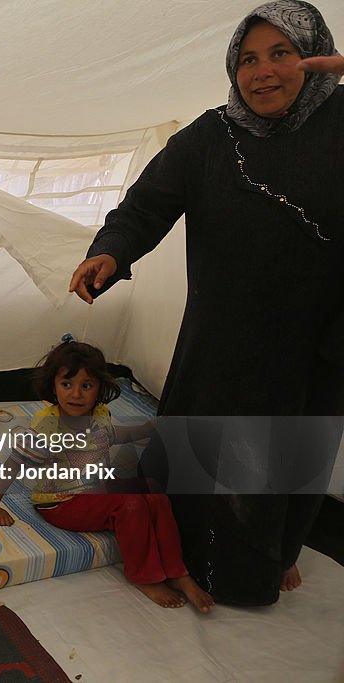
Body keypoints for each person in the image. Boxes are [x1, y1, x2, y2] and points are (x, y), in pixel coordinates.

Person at [68, 1, 344, 605]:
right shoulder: (212, 135)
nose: (262, 72)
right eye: (248, 58)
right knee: (203, 448)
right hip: (222, 334)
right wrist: (111, 253)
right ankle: (178, 553)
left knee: (289, 459)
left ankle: (267, 560)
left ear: (318, 59)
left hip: (314, 340)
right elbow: (145, 205)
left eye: (282, 54)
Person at [0, 340, 213, 612]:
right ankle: (145, 577)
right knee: (131, 504)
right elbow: (13, 464)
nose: (76, 394)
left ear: (100, 388)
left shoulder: (100, 414)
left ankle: (177, 572)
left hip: (95, 489)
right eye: (66, 384)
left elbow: (114, 435)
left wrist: (147, 428)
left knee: (155, 493)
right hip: (60, 502)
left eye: (87, 385)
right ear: (53, 386)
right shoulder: (45, 429)